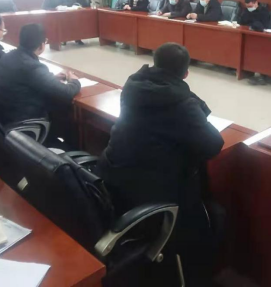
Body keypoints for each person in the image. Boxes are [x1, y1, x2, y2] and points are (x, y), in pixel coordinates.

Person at [96, 43, 224, 285]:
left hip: (113, 179)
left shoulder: (133, 85)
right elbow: (213, 144)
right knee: (215, 216)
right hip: (150, 194)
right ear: (186, 73)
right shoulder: (182, 103)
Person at [0, 23, 80, 128]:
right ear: (41, 45)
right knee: (65, 112)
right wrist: (74, 81)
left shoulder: (8, 56)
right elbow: (66, 93)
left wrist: (51, 79)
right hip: (19, 123)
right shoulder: (32, 66)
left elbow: (26, 80)